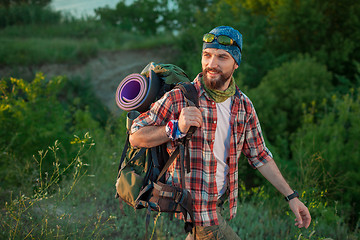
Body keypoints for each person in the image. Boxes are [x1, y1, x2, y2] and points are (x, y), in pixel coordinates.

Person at [129, 26, 311, 239]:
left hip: (220, 204)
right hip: (195, 208)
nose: (212, 64)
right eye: (207, 55)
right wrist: (175, 127)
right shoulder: (179, 97)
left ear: (236, 63)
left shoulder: (243, 106)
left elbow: (260, 156)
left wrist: (292, 196)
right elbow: (136, 136)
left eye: (222, 57)